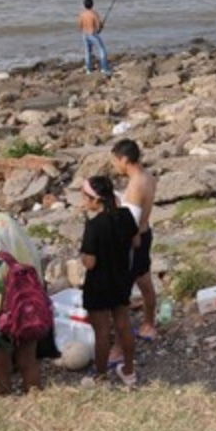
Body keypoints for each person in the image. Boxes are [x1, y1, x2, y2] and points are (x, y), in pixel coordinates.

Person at [79, 177, 137, 387]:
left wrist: (83, 258)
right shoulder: (126, 216)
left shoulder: (94, 225)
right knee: (124, 325)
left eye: (85, 196)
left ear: (95, 200)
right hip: (121, 278)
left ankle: (101, 376)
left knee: (102, 332)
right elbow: (135, 241)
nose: (83, 200)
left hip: (99, 284)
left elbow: (90, 262)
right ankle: (129, 371)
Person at [0, 212, 47, 395]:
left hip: (0, 317)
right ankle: (34, 397)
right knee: (29, 360)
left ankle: (5, 398)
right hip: (29, 312)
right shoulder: (28, 250)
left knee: (0, 366)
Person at [111, 140, 159, 342]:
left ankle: (122, 342)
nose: (114, 165)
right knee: (145, 280)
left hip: (134, 240)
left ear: (124, 159)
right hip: (146, 232)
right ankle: (149, 323)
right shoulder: (148, 176)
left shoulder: (136, 184)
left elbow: (130, 221)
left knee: (122, 289)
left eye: (115, 161)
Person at [79, 0, 112, 76]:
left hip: (84, 34)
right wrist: (101, 27)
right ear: (92, 5)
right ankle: (104, 68)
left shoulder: (82, 14)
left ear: (84, 5)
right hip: (92, 35)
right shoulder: (94, 14)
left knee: (88, 52)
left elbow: (80, 25)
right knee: (102, 50)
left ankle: (89, 70)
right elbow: (98, 26)